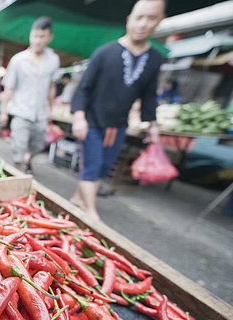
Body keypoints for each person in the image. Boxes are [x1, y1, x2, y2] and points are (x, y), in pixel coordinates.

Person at [69, 0, 165, 223]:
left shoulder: (154, 59)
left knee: (103, 166)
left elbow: (149, 95)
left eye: (151, 18)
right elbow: (83, 88)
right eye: (139, 17)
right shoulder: (105, 52)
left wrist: (152, 124)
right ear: (129, 20)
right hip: (93, 120)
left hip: (119, 123)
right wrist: (79, 116)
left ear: (159, 21)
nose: (143, 24)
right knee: (92, 165)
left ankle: (76, 198)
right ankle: (91, 213)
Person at [0, 17, 60, 172]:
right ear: (30, 36)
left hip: (40, 113)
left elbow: (51, 86)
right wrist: (3, 111)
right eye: (35, 36)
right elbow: (9, 88)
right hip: (21, 111)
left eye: (42, 37)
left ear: (49, 37)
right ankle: (19, 174)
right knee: (18, 145)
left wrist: (50, 109)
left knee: (39, 144)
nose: (38, 41)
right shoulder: (18, 60)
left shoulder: (53, 60)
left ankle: (27, 159)